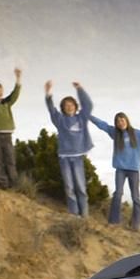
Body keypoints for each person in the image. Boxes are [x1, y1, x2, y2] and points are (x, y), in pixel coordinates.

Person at [89, 105, 140, 228]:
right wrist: (88, 116)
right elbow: (102, 124)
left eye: (122, 120)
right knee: (118, 193)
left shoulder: (138, 134)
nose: (120, 123)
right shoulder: (115, 133)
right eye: (118, 121)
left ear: (127, 121)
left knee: (135, 197)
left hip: (134, 170)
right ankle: (114, 222)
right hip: (120, 170)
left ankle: (136, 224)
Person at [44, 82, 96, 218]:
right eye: (66, 105)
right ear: (63, 108)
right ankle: (74, 214)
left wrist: (80, 89)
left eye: (71, 104)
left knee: (81, 187)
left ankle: (84, 216)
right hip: (64, 157)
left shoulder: (82, 118)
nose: (69, 107)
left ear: (75, 106)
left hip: (78, 157)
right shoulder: (60, 120)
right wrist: (48, 94)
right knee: (69, 187)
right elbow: (51, 110)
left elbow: (89, 105)